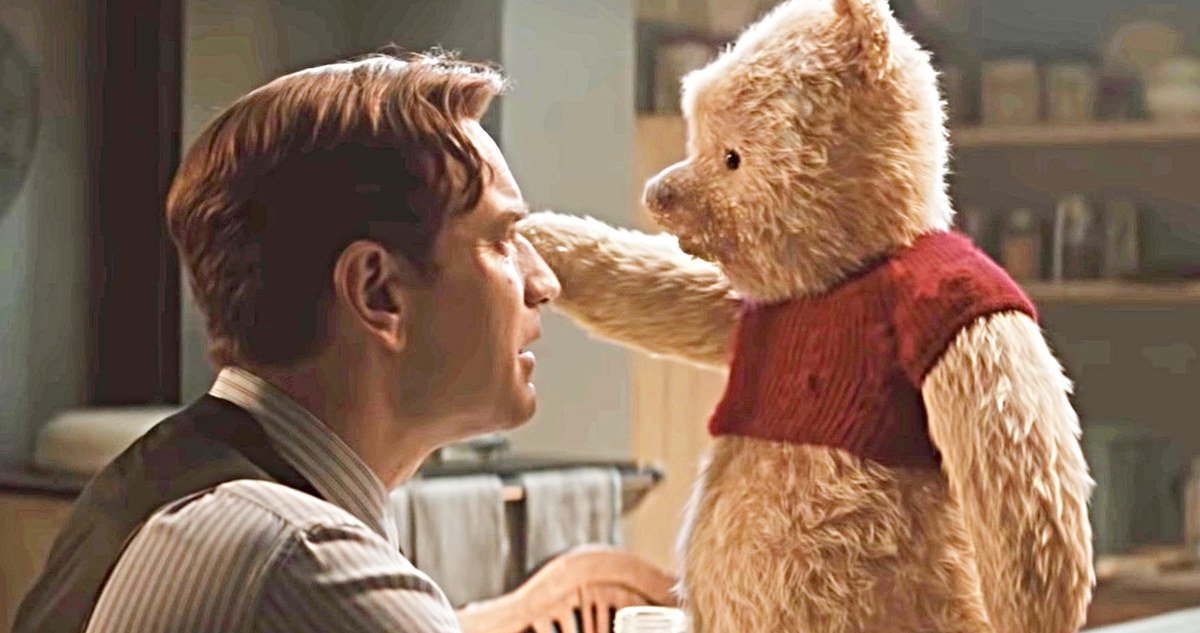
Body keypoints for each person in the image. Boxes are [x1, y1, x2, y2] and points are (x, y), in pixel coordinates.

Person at [14, 50, 561, 633]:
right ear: (378, 292)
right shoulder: (306, 558)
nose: (544, 283)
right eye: (502, 239)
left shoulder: (143, 489)